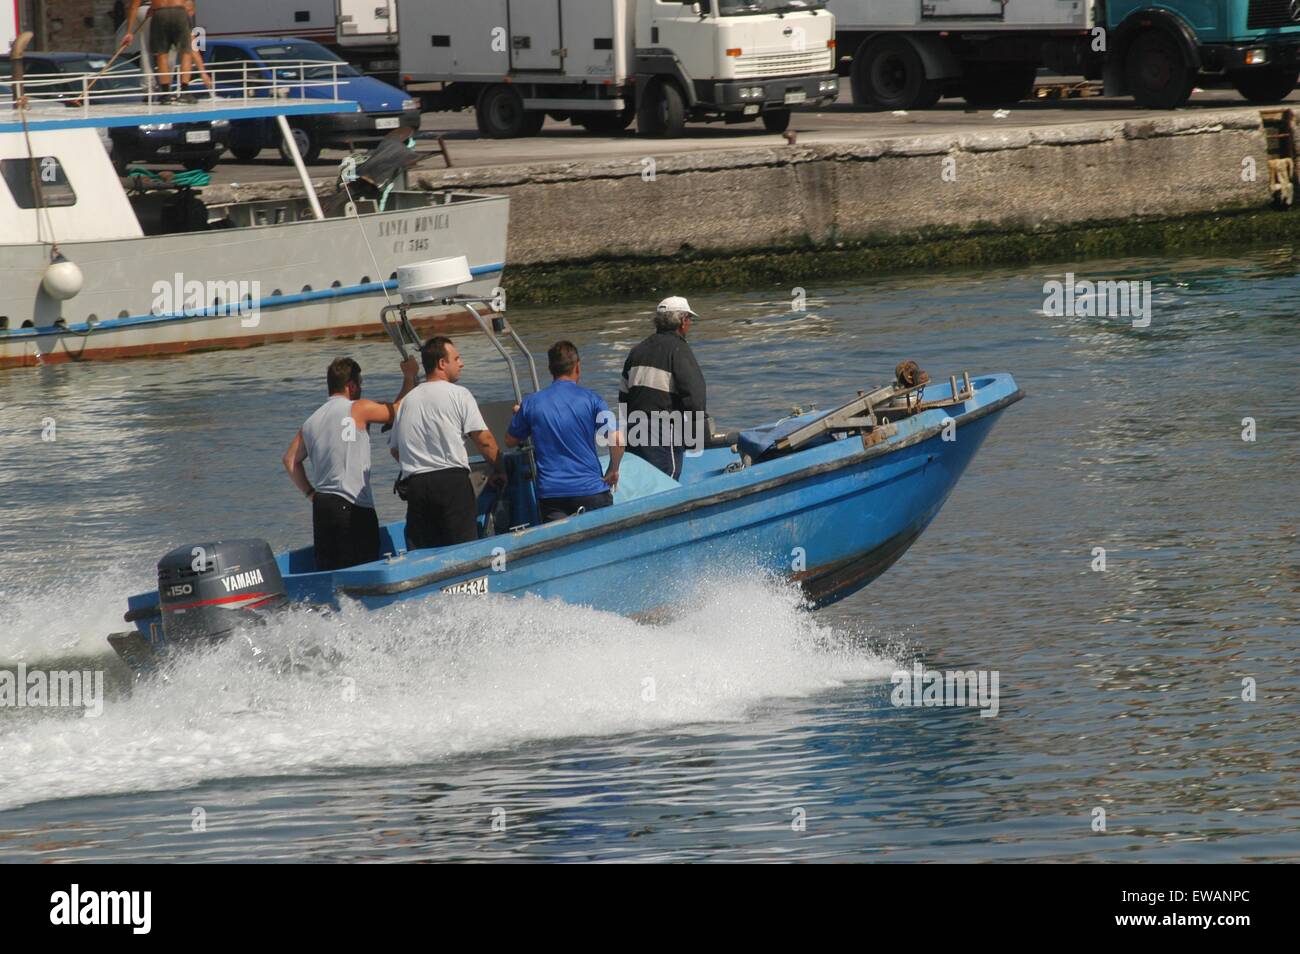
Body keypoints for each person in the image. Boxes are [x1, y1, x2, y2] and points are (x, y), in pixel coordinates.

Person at [283, 355, 420, 571]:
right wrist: (409, 376)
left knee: (330, 573)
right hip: (352, 506)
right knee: (362, 570)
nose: (361, 389)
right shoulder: (358, 408)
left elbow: (290, 460)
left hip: (322, 506)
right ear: (351, 386)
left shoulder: (311, 421)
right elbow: (397, 410)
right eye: (360, 384)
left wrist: (311, 494)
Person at [390, 336, 507, 550]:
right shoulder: (459, 394)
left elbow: (395, 450)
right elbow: (485, 441)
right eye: (457, 358)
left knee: (423, 552)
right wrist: (500, 469)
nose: (461, 363)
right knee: (463, 549)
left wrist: (419, 463)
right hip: (451, 484)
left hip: (417, 487)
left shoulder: (407, 401)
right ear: (442, 364)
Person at [506, 341, 624, 523]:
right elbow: (617, 440)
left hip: (553, 496)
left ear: (550, 369)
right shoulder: (593, 399)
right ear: (577, 367)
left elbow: (510, 441)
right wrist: (613, 469)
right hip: (591, 491)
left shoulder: (531, 403)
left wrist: (520, 415)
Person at [618, 295, 708, 479]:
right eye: (689, 319)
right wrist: (697, 438)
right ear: (682, 321)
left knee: (645, 483)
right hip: (663, 433)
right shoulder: (679, 349)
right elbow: (695, 397)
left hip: (635, 432)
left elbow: (623, 397)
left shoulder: (637, 351)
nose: (689, 324)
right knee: (667, 479)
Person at [124, 0, 191, 95]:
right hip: (179, 10)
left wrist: (129, 32)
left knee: (162, 53)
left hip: (160, 11)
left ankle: (165, 93)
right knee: (185, 52)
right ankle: (185, 92)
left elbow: (134, 6)